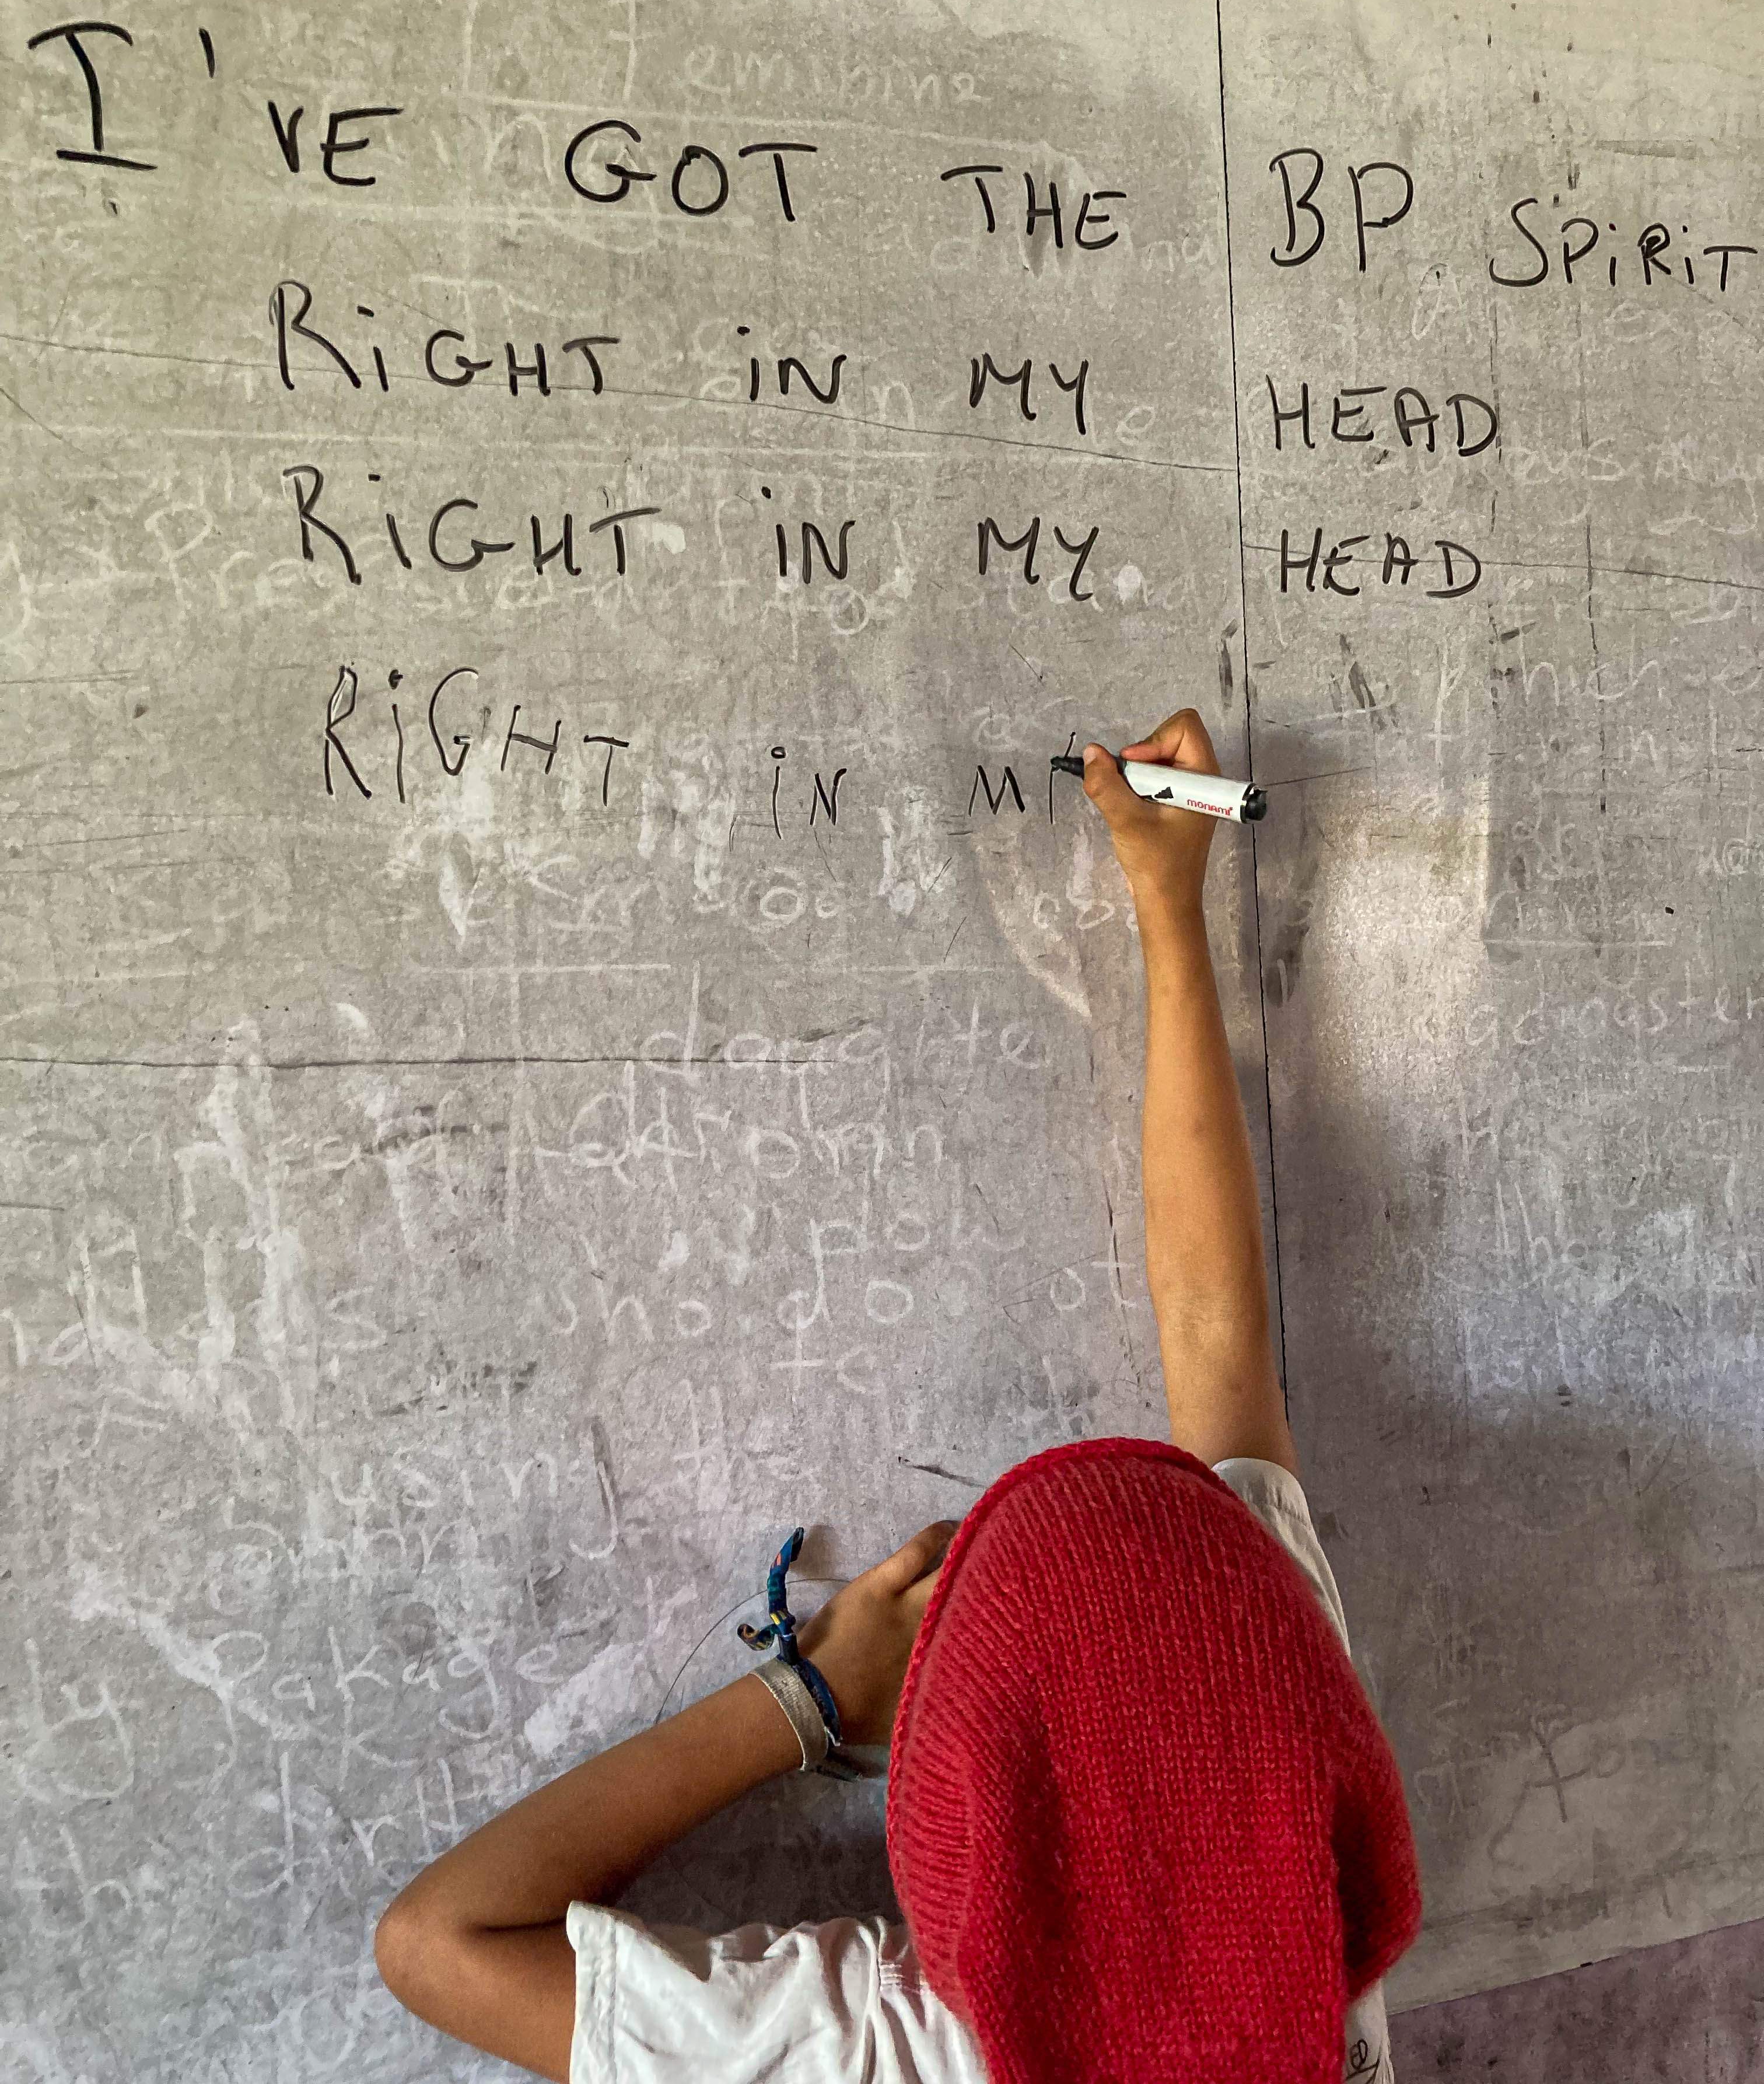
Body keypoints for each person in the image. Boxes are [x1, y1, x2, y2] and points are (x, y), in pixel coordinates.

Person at [374, 710, 1422, 2083]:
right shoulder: (1303, 1922)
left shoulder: (897, 2049)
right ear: (1322, 1760)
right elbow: (1219, 1332)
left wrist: (815, 1696)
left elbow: (438, 1940)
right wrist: (1170, 905)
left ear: (948, 1814)